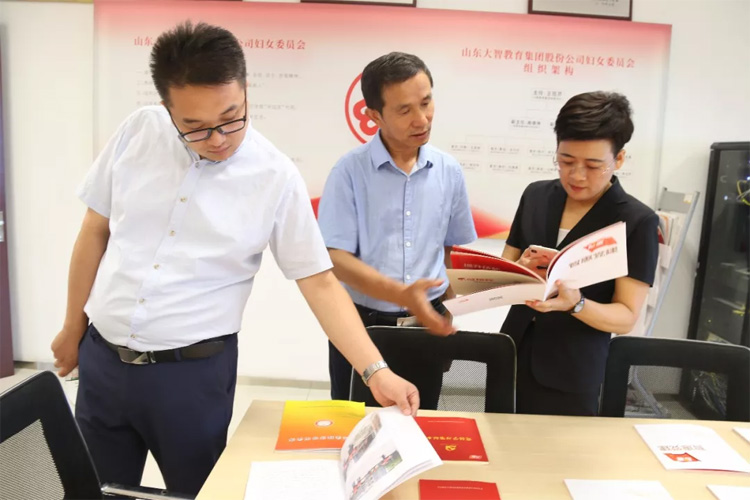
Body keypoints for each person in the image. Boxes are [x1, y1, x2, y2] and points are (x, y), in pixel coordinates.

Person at [50, 22, 418, 495]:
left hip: (191, 377)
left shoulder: (274, 175)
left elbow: (320, 282)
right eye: (195, 126)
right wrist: (73, 325)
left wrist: (375, 371)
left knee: (199, 492)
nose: (219, 138)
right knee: (95, 490)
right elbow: (94, 230)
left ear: (245, 90)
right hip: (102, 361)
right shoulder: (139, 130)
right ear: (167, 108)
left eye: (232, 117)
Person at [317, 52, 477, 408]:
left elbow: (452, 252)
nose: (422, 119)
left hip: (426, 324)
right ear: (374, 115)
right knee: (356, 420)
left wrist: (450, 311)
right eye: (404, 110)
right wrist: (402, 294)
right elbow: (335, 258)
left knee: (422, 417)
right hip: (362, 326)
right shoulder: (349, 172)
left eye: (426, 102)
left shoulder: (449, 171)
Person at [500, 91, 659, 416]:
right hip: (511, 349)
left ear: (619, 160)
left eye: (593, 165)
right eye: (566, 161)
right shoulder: (536, 196)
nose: (576, 175)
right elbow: (503, 269)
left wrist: (577, 303)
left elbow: (626, 316)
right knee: (498, 439)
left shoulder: (636, 221)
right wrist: (518, 271)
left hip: (571, 370)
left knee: (558, 447)